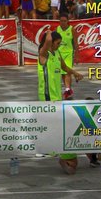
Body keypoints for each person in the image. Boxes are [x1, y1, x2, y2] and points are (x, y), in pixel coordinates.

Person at [37, 29, 83, 174]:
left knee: (56, 123)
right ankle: (48, 149)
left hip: (57, 96)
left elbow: (64, 67)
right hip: (47, 96)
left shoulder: (57, 54)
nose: (58, 45)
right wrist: (49, 33)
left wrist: (75, 73)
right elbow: (48, 42)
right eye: (57, 43)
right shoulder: (44, 55)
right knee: (52, 123)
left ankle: (54, 149)